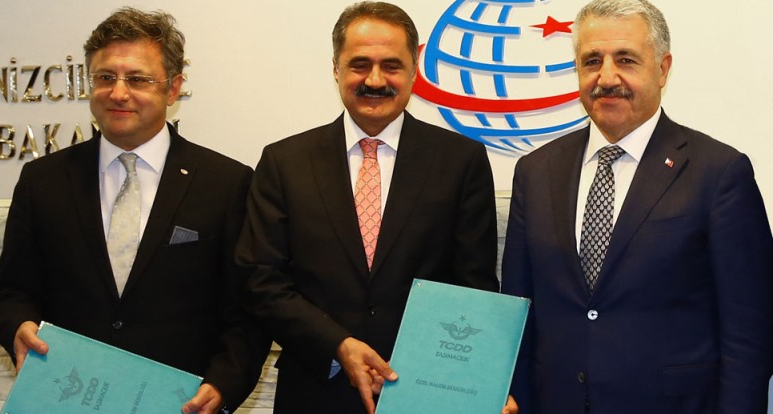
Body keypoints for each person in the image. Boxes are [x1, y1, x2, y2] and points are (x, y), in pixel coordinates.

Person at [0, 7, 270, 414]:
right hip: (66, 401)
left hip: (180, 405)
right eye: (105, 78)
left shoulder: (226, 183)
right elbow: (10, 293)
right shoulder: (42, 180)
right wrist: (18, 327)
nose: (118, 93)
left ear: (173, 89)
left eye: (137, 79)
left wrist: (224, 385)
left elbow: (247, 309)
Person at [234, 2, 517, 413]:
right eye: (360, 64)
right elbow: (260, 281)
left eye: (391, 66)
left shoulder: (461, 161)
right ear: (336, 69)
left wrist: (481, 381)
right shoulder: (285, 162)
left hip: (426, 393)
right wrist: (337, 344)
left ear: (414, 70)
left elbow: (473, 289)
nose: (375, 80)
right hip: (315, 391)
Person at [500, 0, 773, 413]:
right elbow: (517, 311)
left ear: (662, 69)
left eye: (626, 59)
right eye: (592, 61)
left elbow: (749, 334)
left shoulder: (718, 172)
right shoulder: (535, 171)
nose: (607, 77)